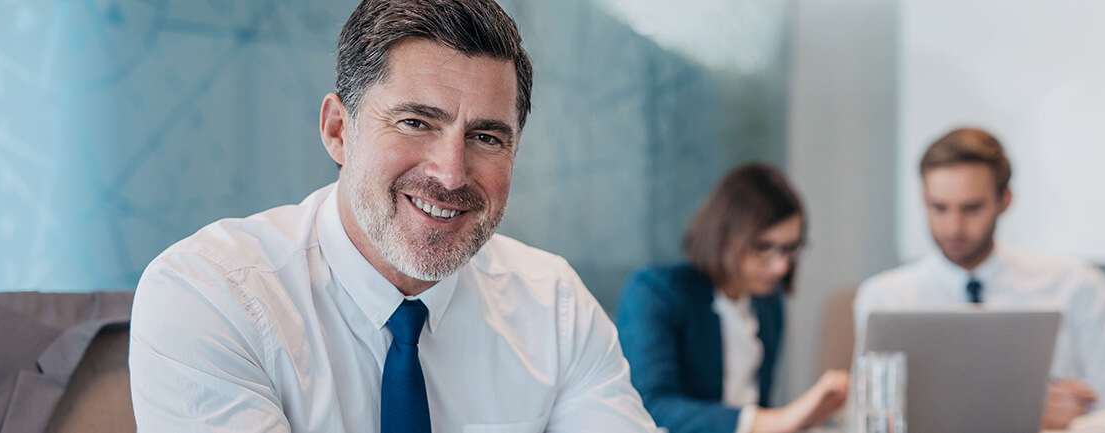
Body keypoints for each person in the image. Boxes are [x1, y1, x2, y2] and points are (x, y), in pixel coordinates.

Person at [128, 1, 657, 431]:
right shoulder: (210, 294)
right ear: (339, 130)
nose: (451, 173)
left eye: (487, 137)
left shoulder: (556, 306)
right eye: (415, 122)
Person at [853, 127, 1105, 430]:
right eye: (938, 207)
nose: (953, 227)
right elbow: (872, 418)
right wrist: (1020, 413)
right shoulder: (886, 298)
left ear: (1004, 200)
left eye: (971, 208)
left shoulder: (1075, 284)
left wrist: (1079, 413)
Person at [616, 164, 849, 433]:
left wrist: (805, 418)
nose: (781, 267)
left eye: (789, 249)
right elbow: (651, 407)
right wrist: (783, 419)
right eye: (763, 247)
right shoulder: (655, 291)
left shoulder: (767, 305)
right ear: (724, 235)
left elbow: (757, 405)